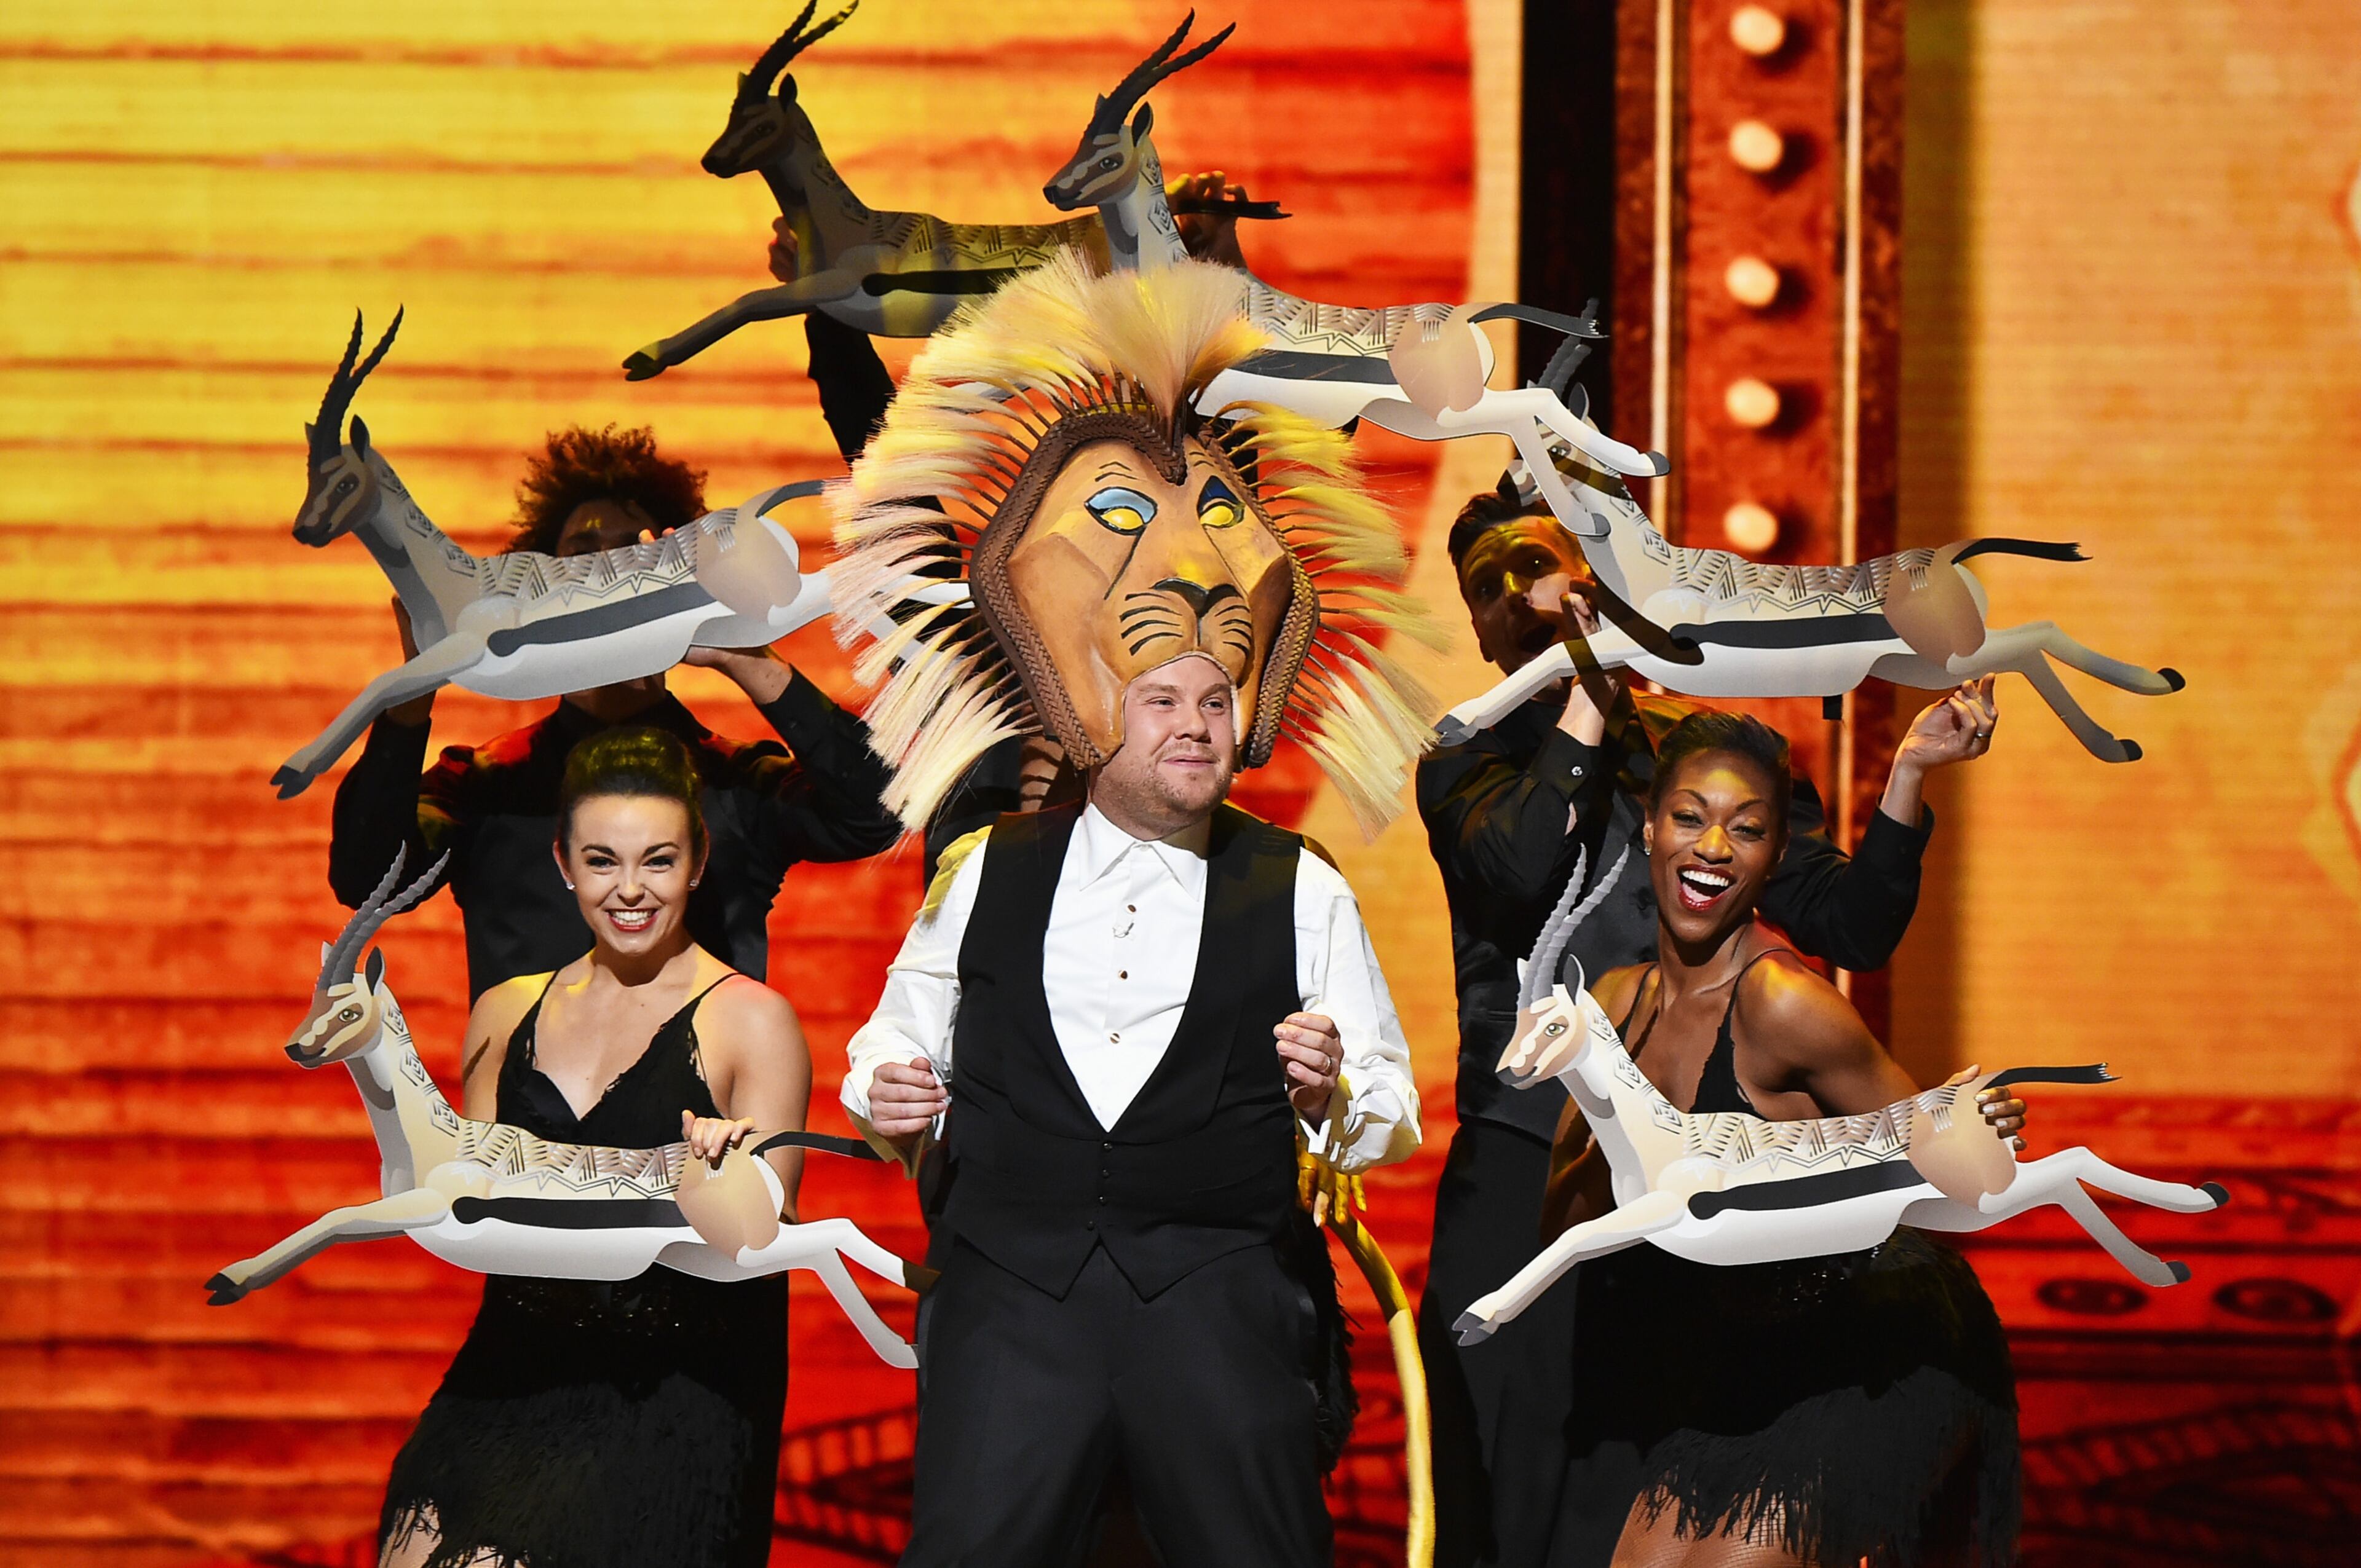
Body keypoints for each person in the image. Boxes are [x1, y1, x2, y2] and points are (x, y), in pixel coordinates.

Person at [826, 253, 1432, 1566]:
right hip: (1010, 1313)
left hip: (1219, 1312)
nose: (1196, 724)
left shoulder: (1299, 887)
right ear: (1102, 717)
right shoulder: (988, 869)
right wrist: (887, 1094)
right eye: (1164, 701)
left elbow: (1390, 1106)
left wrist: (1330, 1091)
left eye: (1216, 702)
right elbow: (891, 1040)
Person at [1420, 483, 2004, 1568]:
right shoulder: (1467, 765)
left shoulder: (1710, 769)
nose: (1535, 602)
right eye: (1500, 589)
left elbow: (1855, 924)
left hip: (1675, 1167)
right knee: (1500, 1487)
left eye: (1553, 574)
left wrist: (1910, 775)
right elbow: (1524, 871)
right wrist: (1587, 692)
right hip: (1519, 1167)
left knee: (1639, 1479)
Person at [1539, 711, 2023, 1568]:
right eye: (1689, 816)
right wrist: (1611, 1133)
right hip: (1737, 1361)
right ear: (1649, 824)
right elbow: (1558, 1232)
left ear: (1773, 857)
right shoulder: (1613, 1001)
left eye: (1749, 829)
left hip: (1879, 1344)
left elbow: (1957, 1183)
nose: (1714, 845)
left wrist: (1971, 1131)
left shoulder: (1782, 1004)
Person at [378, 727, 815, 1568]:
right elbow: (470, 1204)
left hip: (673, 1388)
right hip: (513, 1364)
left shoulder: (753, 1019)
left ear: (698, 860)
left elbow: (762, 1243)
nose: (629, 889)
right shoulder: (506, 1010)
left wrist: (723, 1178)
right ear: (563, 862)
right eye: (602, 859)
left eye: (657, 859)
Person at [328, 424, 901, 999]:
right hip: (531, 1087)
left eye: (634, 551)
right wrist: (412, 692)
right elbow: (366, 877)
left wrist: (746, 656)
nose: (608, 574)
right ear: (540, 585)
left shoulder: (737, 781)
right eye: (581, 556)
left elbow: (877, 815)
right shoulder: (483, 783)